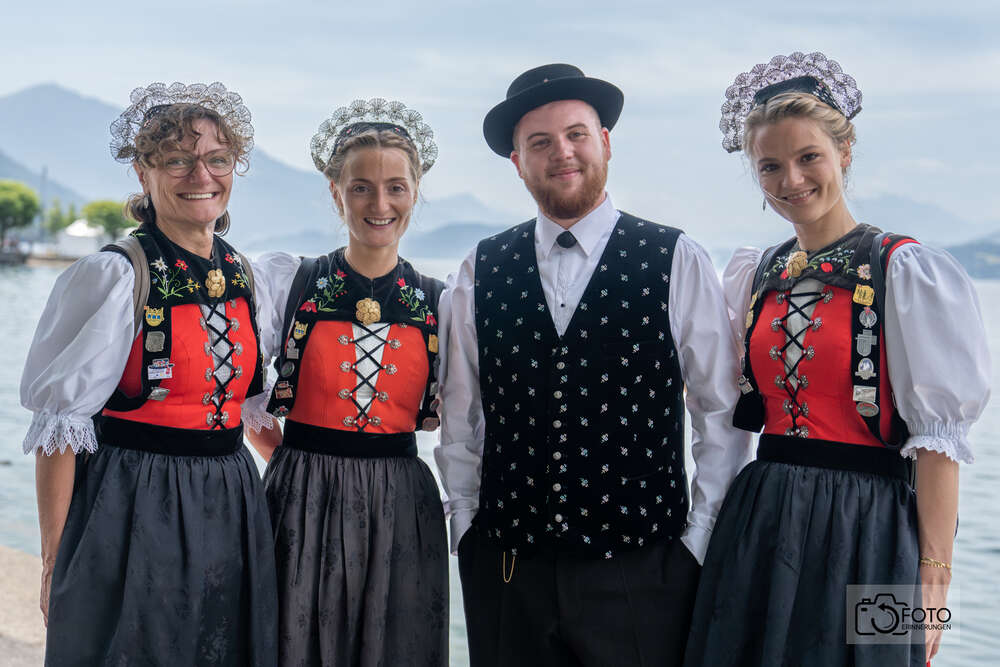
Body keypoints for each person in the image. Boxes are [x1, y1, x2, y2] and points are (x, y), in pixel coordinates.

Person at [434, 63, 753, 666]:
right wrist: (467, 528)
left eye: (577, 134)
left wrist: (699, 541)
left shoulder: (674, 256)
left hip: (643, 570)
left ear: (604, 141)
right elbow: (461, 411)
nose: (562, 153)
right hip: (507, 569)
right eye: (540, 142)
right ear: (516, 161)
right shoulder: (482, 266)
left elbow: (720, 411)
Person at [683, 52, 991, 667]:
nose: (790, 180)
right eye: (769, 166)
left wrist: (931, 588)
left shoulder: (904, 271)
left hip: (873, 529)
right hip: (761, 520)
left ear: (845, 151)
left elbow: (937, 443)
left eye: (808, 157)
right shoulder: (755, 274)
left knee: (885, 658)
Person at [21, 82, 278, 665]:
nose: (200, 175)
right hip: (134, 499)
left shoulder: (248, 277)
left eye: (216, 159)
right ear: (143, 171)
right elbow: (61, 427)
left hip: (232, 498)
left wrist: (300, 473)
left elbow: (248, 407)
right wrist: (56, 556)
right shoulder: (114, 276)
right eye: (177, 160)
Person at [243, 98, 448, 666]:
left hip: (402, 502)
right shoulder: (290, 282)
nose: (379, 204)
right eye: (360, 187)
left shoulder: (443, 302)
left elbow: (467, 422)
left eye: (396, 187)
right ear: (336, 192)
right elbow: (244, 400)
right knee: (295, 645)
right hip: (300, 493)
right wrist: (299, 464)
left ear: (415, 192)